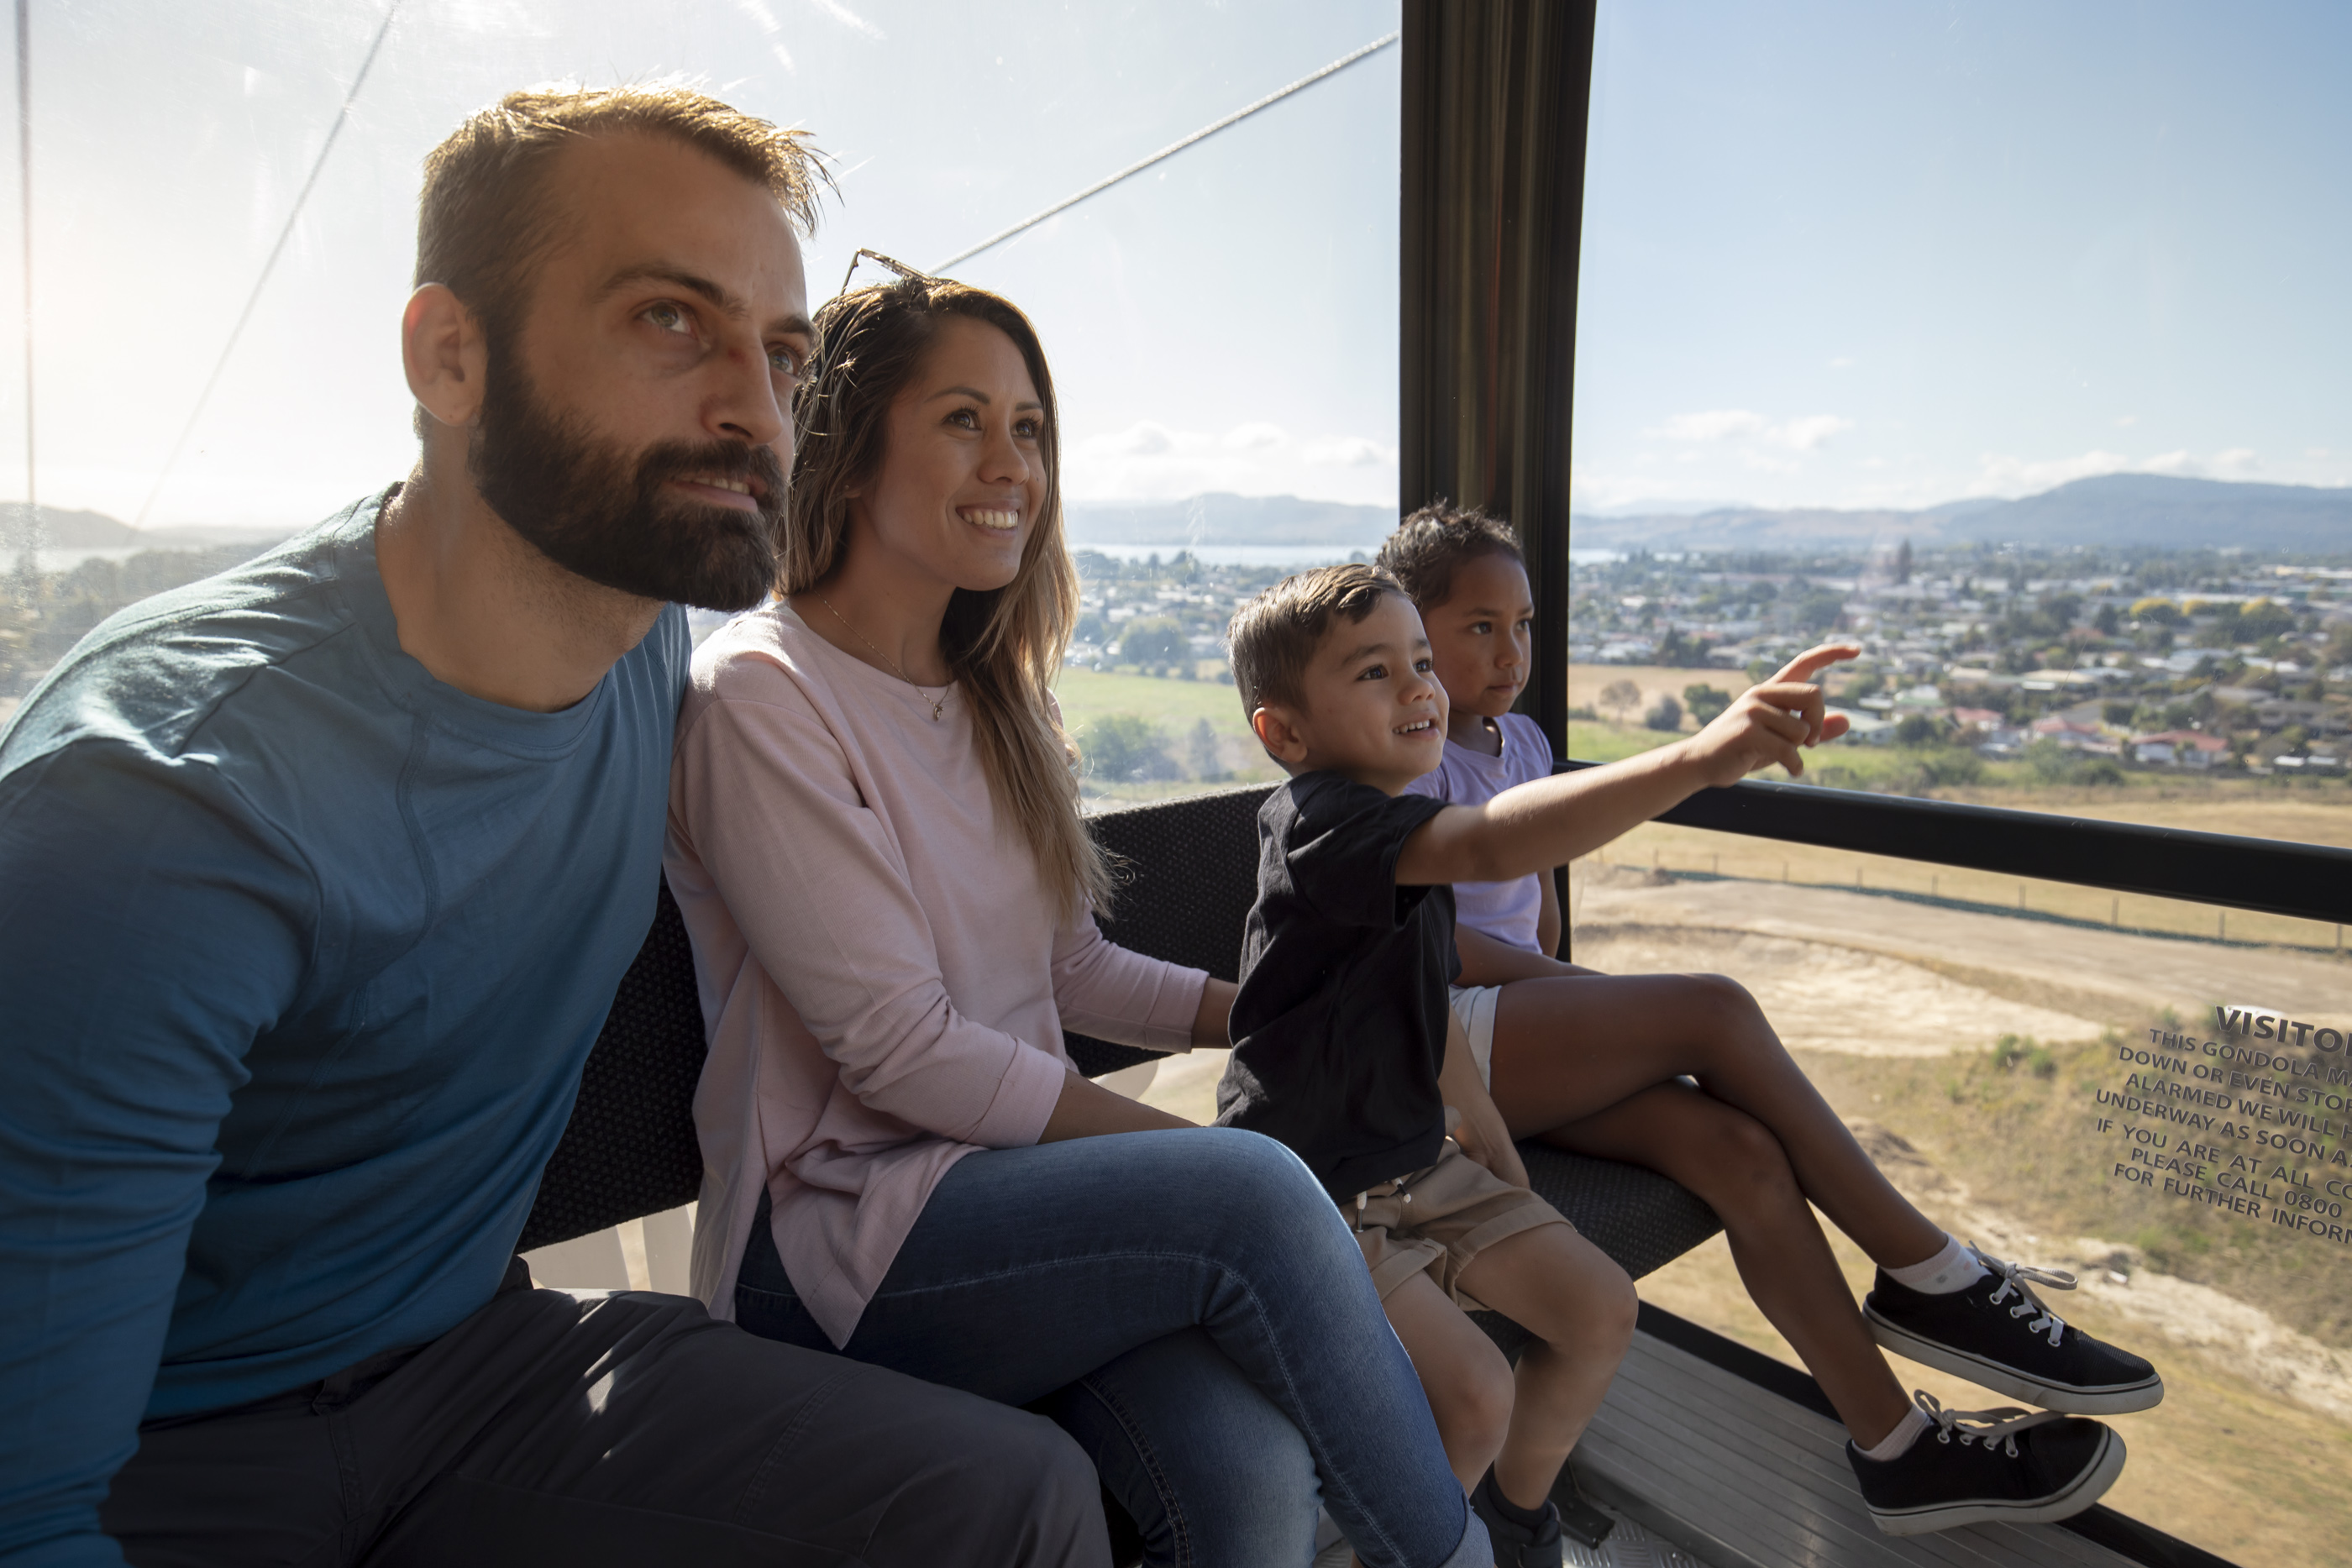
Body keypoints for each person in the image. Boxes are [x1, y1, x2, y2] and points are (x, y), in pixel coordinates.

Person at [0, 87, 1112, 1568]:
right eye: (670, 320)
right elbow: (25, 1501)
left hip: (472, 1365)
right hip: (183, 1438)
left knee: (1016, 1500)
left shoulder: (651, 641)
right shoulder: (160, 808)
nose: (753, 408)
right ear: (449, 356)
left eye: (781, 355)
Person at [664, 270, 1490, 1568]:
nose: (1012, 464)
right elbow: (902, 1049)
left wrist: (1278, 1014)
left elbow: (1070, 968)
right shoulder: (761, 696)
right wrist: (1195, 1165)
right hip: (839, 1237)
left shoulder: (998, 696)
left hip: (1011, 1207)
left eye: (1032, 428)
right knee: (1257, 1193)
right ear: (851, 441)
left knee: (1257, 1484)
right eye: (963, 421)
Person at [1374, 505, 2162, 1536]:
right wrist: (1585, 992)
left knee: (1738, 1149)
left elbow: (1535, 901)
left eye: (1522, 622)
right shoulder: (1410, 751)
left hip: (1521, 1030)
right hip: (1440, 1047)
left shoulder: (1523, 740)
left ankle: (1897, 1449)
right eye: (1478, 627)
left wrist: (1575, 989)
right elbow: (1445, 940)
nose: (1511, 650)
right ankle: (1934, 1273)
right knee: (1714, 1008)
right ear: (1414, 637)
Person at [1217, 565, 1638, 1568]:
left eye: (1418, 662)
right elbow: (1495, 849)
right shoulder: (1322, 822)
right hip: (1313, 1189)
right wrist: (1704, 760)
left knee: (1598, 1308)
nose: (1418, 688)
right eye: (1374, 671)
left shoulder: (1401, 820)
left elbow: (1419, 979)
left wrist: (1478, 1116)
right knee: (1475, 1396)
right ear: (1285, 733)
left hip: (1416, 1160)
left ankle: (1513, 1519)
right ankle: (1399, 1544)